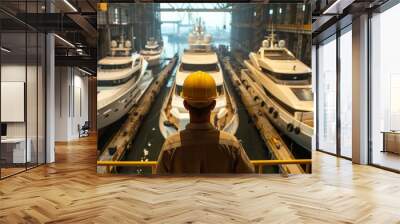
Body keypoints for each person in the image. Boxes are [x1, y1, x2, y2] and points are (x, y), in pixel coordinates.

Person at [156, 71, 254, 174]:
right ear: (213, 105)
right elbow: (248, 176)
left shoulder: (170, 146)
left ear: (185, 105)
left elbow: (160, 180)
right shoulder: (231, 144)